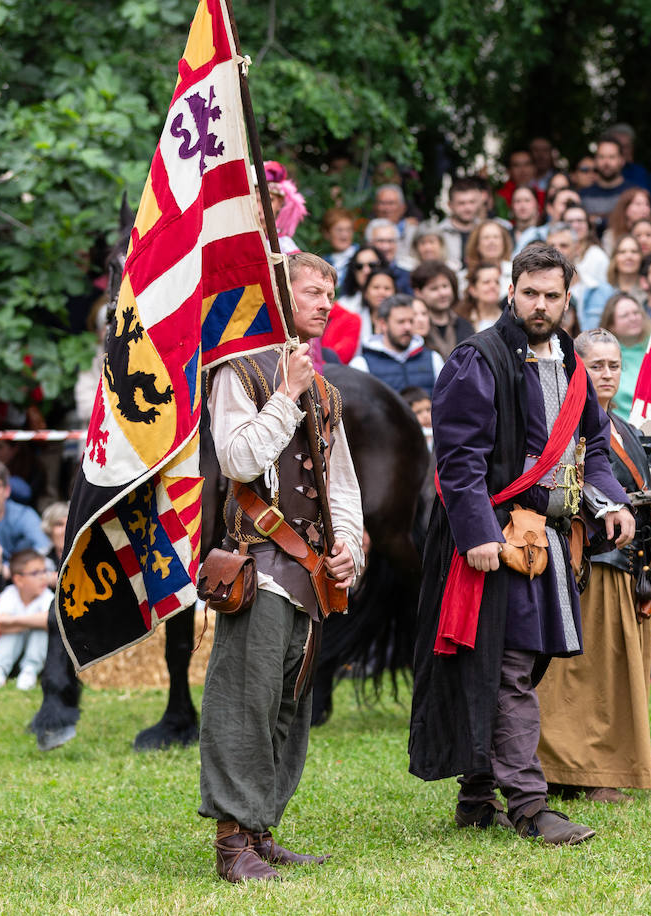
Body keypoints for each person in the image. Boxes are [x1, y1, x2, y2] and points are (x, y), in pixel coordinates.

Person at [409, 243, 636, 846]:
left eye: (551, 295)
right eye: (529, 293)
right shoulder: (475, 360)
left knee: (520, 667)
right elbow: (457, 462)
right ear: (511, 292)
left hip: (550, 544)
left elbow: (594, 448)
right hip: (496, 540)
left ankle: (478, 794)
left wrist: (610, 503)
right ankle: (531, 806)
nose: (539, 305)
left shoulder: (574, 365)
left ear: (568, 297)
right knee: (508, 669)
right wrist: (479, 533)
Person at [199, 251, 364, 883]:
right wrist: (287, 395)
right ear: (278, 293)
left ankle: (260, 828)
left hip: (311, 575)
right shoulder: (238, 370)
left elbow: (341, 484)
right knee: (245, 702)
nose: (326, 303)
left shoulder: (326, 390)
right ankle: (231, 844)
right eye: (313, 291)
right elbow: (239, 460)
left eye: (331, 292)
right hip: (259, 564)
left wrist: (348, 543)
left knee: (287, 706)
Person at [536, 328, 651, 804]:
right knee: (583, 674)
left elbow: (628, 468)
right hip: (590, 564)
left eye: (614, 365)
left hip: (629, 565)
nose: (606, 374)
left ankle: (602, 765)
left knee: (616, 673)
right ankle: (575, 769)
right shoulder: (564, 420)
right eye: (596, 365)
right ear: (575, 367)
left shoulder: (614, 424)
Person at [0, 548, 50, 691]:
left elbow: (49, 620)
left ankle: (29, 671)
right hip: (11, 651)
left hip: (37, 653)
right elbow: (0, 624)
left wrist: (13, 621)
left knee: (41, 631)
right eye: (36, 573)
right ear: (18, 579)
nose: (43, 577)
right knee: (10, 634)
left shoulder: (47, 596)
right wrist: (31, 622)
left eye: (44, 571)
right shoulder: (9, 593)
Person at [349, 295, 446, 396]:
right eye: (401, 322)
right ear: (383, 324)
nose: (408, 327)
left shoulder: (433, 359)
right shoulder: (361, 365)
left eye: (411, 321)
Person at [596, 293, 651, 418]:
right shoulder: (601, 356)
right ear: (611, 325)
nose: (633, 318)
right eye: (625, 315)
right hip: (618, 428)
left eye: (636, 312)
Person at [411, 260, 474, 360]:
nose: (442, 293)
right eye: (434, 289)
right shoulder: (414, 326)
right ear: (418, 292)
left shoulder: (465, 325)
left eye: (445, 286)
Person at [425, 176, 488, 270]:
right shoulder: (438, 233)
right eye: (461, 203)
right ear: (450, 205)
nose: (468, 208)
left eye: (472, 202)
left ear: (479, 202)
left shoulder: (486, 230)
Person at [580, 135, 632, 224]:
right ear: (595, 160)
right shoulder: (583, 196)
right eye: (601, 157)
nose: (606, 162)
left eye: (612, 157)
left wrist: (596, 219)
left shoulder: (633, 193)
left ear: (622, 160)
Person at [462, 219, 514, 292]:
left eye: (496, 237)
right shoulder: (464, 277)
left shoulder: (516, 271)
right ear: (477, 245)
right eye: (486, 237)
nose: (491, 242)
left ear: (504, 244)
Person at [364, 218, 413, 294]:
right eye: (380, 241)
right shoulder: (363, 271)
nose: (386, 247)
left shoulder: (407, 275)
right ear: (369, 243)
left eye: (390, 241)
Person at [457, 262, 507, 332]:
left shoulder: (509, 318)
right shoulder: (460, 320)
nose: (493, 286)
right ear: (473, 289)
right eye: (486, 282)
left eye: (497, 282)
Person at [319, 207, 358, 278]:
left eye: (349, 230)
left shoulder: (362, 256)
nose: (345, 235)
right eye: (339, 230)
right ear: (327, 233)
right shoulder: (322, 263)